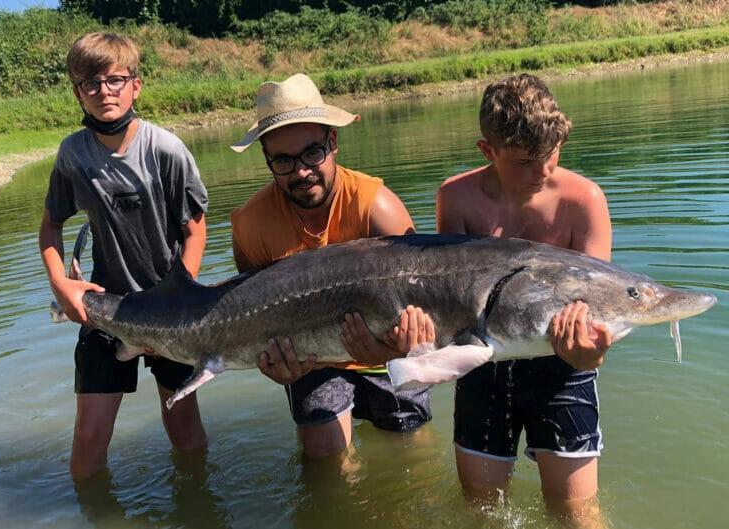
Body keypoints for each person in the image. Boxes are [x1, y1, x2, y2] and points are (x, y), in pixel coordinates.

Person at [436, 73, 613, 523]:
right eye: (524, 162)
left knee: (577, 514)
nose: (544, 170)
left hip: (562, 369)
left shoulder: (584, 200)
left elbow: (600, 304)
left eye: (551, 153)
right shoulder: (455, 199)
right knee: (479, 514)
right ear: (486, 151)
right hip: (482, 368)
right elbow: (447, 301)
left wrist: (591, 352)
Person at [230, 73, 434, 458]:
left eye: (312, 153)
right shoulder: (250, 224)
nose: (302, 172)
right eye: (284, 161)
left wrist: (396, 350)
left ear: (333, 142)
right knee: (324, 463)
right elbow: (251, 320)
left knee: (411, 458)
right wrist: (274, 367)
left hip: (390, 355)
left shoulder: (378, 208)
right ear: (267, 159)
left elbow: (424, 315)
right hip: (312, 362)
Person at [38, 32, 209, 480]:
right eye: (90, 83)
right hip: (104, 307)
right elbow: (50, 226)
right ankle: (91, 512)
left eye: (115, 80)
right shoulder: (73, 154)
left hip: (170, 308)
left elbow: (195, 231)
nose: (104, 92)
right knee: (89, 436)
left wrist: (177, 297)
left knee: (183, 428)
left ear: (136, 85)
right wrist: (62, 286)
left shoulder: (165, 149)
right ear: (77, 92)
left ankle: (196, 506)